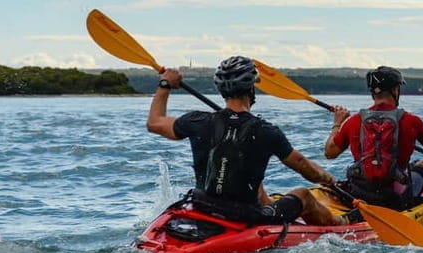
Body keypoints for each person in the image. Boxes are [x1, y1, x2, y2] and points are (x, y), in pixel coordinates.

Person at [146, 55, 352, 226]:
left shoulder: (197, 121)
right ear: (251, 89)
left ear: (221, 90)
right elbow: (305, 168)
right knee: (304, 195)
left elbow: (154, 123)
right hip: (245, 217)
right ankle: (342, 224)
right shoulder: (266, 131)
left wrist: (165, 84)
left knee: (248, 175)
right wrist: (327, 178)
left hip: (201, 206)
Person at [324, 65, 423, 210]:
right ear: (395, 90)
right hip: (395, 199)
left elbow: (329, 153)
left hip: (359, 193)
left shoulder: (354, 121)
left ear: (372, 93)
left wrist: (337, 123)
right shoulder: (411, 121)